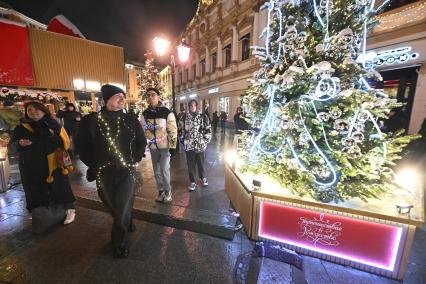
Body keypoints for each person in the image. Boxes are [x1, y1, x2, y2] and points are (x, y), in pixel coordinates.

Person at [75, 84, 147, 258]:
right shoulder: (91, 121)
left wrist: (135, 158)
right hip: (103, 172)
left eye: (123, 95)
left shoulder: (131, 119)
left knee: (122, 204)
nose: (122, 99)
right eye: (117, 96)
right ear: (106, 100)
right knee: (110, 202)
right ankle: (126, 220)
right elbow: (81, 146)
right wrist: (94, 163)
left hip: (126, 170)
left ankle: (120, 243)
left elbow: (141, 141)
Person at [11, 101, 76, 224]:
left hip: (53, 163)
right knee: (36, 188)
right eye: (30, 110)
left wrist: (52, 136)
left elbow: (65, 144)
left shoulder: (54, 125)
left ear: (43, 111)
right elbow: (11, 147)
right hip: (31, 165)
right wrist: (19, 143)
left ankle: (69, 210)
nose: (33, 112)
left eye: (37, 109)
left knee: (61, 186)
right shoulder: (21, 128)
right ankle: (40, 211)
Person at [142, 87, 177, 203]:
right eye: (148, 95)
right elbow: (144, 128)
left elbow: (172, 129)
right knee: (156, 170)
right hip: (153, 147)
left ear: (158, 96)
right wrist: (152, 138)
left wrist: (173, 146)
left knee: (164, 169)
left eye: (153, 95)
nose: (150, 97)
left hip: (165, 146)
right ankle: (161, 191)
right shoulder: (145, 114)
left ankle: (168, 191)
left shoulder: (166, 112)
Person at [179, 99, 212, 191]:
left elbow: (208, 129)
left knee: (201, 163)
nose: (193, 107)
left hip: (200, 145)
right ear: (189, 107)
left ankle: (203, 177)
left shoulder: (203, 117)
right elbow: (180, 130)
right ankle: (193, 181)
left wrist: (205, 141)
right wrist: (184, 139)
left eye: (194, 105)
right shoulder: (184, 117)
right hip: (189, 146)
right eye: (191, 106)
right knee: (191, 164)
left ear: (197, 106)